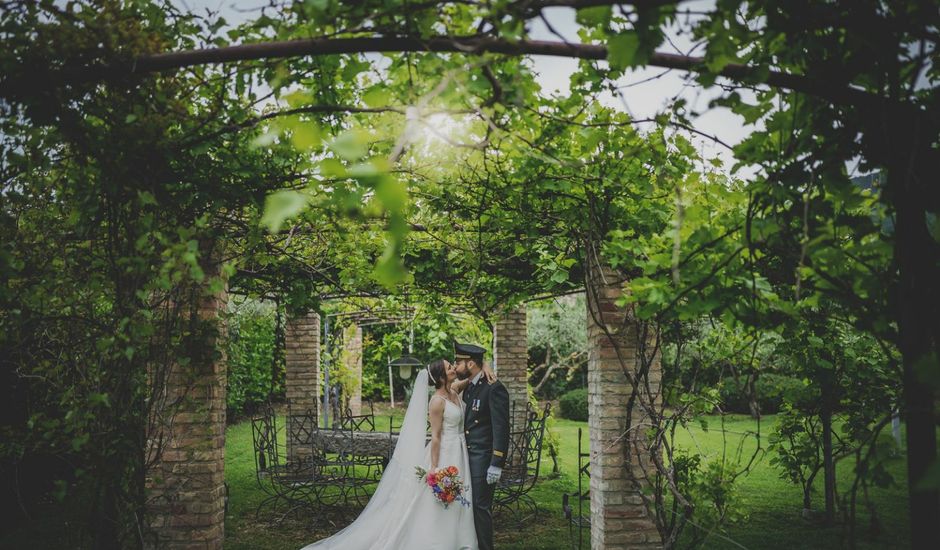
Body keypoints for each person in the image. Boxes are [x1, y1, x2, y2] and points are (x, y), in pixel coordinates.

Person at [300, 358, 496, 550]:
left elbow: (473, 377)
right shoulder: (436, 401)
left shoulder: (454, 391)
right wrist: (435, 467)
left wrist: (485, 364)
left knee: (462, 494)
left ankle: (461, 539)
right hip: (445, 452)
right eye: (449, 367)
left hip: (460, 450)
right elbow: (435, 437)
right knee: (439, 499)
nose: (454, 368)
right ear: (441, 377)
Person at [453, 342, 510, 550]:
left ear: (470, 363)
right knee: (470, 506)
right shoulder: (471, 385)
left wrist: (497, 461)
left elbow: (501, 428)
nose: (455, 366)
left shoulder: (494, 388)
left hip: (483, 459)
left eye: (458, 362)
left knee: (480, 507)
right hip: (469, 458)